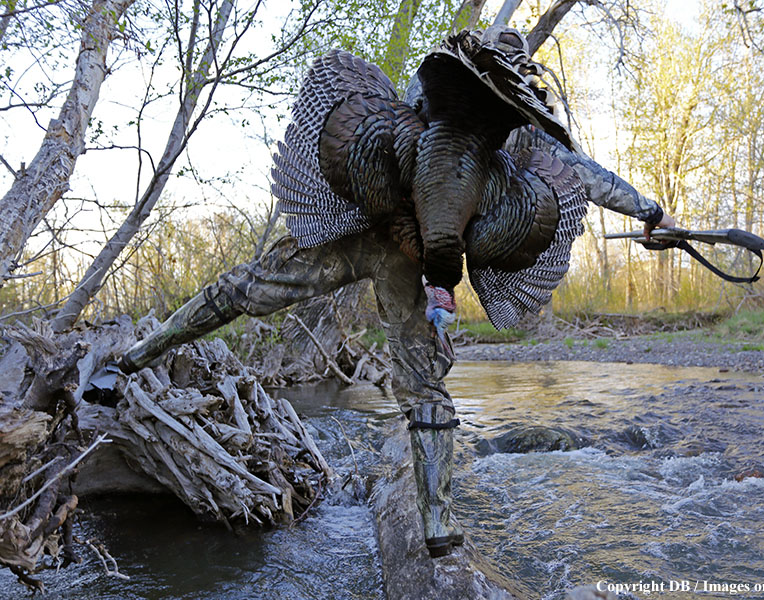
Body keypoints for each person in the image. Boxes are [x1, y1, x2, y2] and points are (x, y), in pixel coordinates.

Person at [118, 28, 676, 559]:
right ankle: (437, 522)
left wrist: (649, 211)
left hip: (390, 248)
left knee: (263, 294)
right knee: (395, 371)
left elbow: (585, 174)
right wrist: (647, 210)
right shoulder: (489, 114)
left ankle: (133, 360)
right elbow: (587, 175)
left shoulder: (479, 111)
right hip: (376, 233)